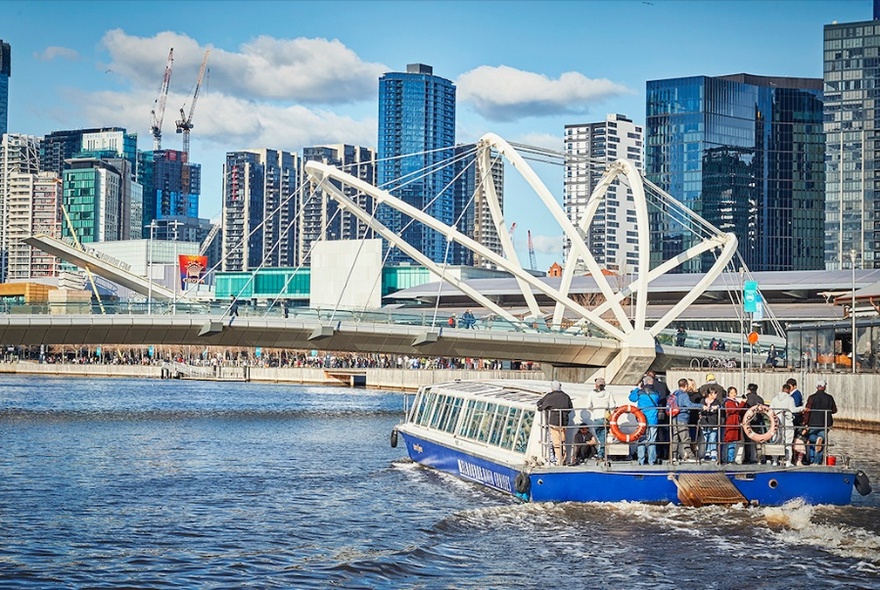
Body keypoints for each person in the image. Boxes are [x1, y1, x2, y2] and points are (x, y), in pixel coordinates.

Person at [537, 380, 573, 466]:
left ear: (552, 388)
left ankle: (559, 460)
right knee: (563, 440)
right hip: (564, 422)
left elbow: (541, 405)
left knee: (556, 442)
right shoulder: (566, 396)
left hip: (554, 422)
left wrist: (540, 407)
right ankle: (564, 457)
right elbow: (570, 408)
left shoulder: (550, 396)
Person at [802, 380, 838, 465]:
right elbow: (834, 410)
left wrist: (805, 422)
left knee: (810, 439)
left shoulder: (812, 397)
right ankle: (817, 462)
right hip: (825, 423)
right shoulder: (829, 397)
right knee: (821, 442)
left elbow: (808, 410)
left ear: (817, 387)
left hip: (813, 422)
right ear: (824, 387)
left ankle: (811, 460)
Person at [629, 376, 661, 465]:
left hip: (641, 420)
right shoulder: (656, 393)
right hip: (653, 419)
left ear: (644, 383)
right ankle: (651, 461)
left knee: (641, 439)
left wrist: (637, 388)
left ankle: (641, 460)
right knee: (652, 440)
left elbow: (631, 398)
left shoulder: (639, 392)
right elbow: (658, 400)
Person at [769, 382, 803, 465]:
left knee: (776, 441)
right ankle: (788, 461)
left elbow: (770, 409)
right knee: (788, 442)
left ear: (782, 389)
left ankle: (775, 460)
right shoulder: (790, 399)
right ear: (789, 390)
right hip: (787, 422)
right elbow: (793, 410)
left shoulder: (775, 398)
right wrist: (802, 408)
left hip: (776, 422)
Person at [669, 378, 701, 461]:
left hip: (674, 418)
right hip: (682, 418)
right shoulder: (684, 395)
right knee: (685, 437)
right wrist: (701, 406)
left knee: (675, 437)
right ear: (686, 386)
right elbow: (689, 405)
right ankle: (690, 455)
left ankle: (674, 456)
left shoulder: (674, 394)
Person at [587, 377, 614, 460]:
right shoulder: (609, 393)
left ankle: (600, 454)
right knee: (603, 437)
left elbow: (588, 406)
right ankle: (601, 454)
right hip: (605, 417)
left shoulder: (591, 394)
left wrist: (594, 410)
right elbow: (612, 405)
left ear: (596, 385)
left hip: (596, 417)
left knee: (599, 437)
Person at [722, 386, 745, 463]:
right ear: (728, 394)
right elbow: (735, 410)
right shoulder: (729, 402)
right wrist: (743, 403)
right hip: (731, 423)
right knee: (731, 442)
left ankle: (730, 458)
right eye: (732, 393)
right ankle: (730, 459)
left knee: (733, 442)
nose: (734, 394)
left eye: (735, 392)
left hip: (735, 423)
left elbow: (739, 411)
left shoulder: (736, 402)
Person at [697, 387, 722, 460]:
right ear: (710, 394)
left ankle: (713, 454)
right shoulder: (702, 401)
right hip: (704, 422)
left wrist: (716, 407)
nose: (716, 395)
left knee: (713, 438)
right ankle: (707, 453)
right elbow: (699, 409)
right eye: (715, 393)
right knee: (706, 438)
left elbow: (721, 406)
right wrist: (703, 409)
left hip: (713, 422)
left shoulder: (717, 402)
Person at [742, 383, 765, 464]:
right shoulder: (760, 399)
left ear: (749, 389)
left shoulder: (746, 398)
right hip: (758, 421)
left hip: (748, 422)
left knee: (748, 440)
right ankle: (759, 457)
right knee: (758, 440)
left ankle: (747, 458)